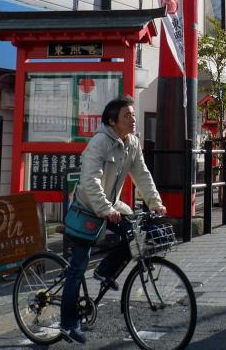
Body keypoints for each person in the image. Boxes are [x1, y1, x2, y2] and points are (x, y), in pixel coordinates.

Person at [60, 96, 166, 343]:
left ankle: (105, 271)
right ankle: (67, 323)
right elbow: (90, 180)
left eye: (133, 115)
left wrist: (155, 202)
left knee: (135, 234)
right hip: (87, 208)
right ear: (112, 121)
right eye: (127, 116)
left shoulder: (132, 143)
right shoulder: (99, 143)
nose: (132, 119)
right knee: (77, 266)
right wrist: (105, 209)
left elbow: (142, 174)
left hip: (111, 205)